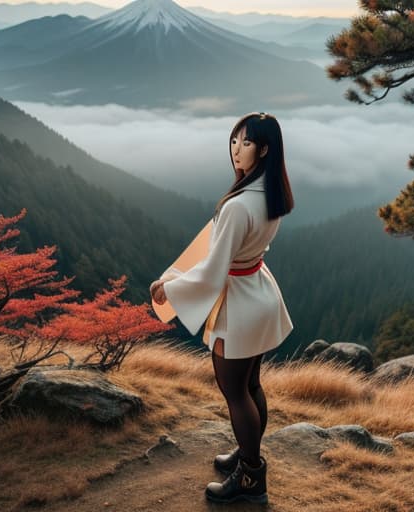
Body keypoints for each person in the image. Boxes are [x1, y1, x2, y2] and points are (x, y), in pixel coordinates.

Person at [150, 111, 294, 504]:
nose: (236, 149)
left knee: (235, 392)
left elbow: (214, 272)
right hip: (260, 292)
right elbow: (228, 258)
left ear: (263, 149)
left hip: (240, 303)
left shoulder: (237, 205)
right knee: (251, 385)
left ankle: (250, 477)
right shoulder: (272, 192)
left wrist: (169, 287)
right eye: (234, 140)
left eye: (246, 142)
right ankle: (248, 455)